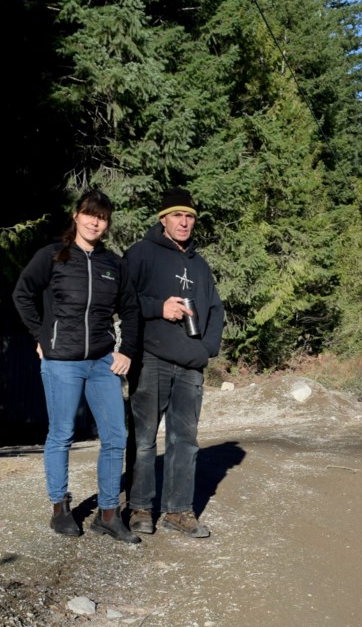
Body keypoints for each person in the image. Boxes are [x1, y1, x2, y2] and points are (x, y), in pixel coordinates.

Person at [12, 189, 141, 544]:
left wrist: (126, 349)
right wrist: (41, 336)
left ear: (107, 223)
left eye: (102, 217)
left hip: (102, 361)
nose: (95, 222)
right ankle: (60, 508)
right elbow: (22, 294)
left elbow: (130, 309)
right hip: (61, 361)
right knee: (62, 434)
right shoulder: (52, 256)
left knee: (116, 436)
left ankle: (109, 513)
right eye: (89, 214)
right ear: (76, 215)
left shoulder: (114, 264)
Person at [124, 187, 224, 538]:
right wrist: (157, 307)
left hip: (190, 365)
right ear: (163, 219)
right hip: (151, 357)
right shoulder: (141, 254)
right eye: (177, 215)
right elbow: (123, 299)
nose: (184, 222)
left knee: (186, 439)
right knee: (144, 437)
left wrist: (207, 349)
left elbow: (215, 308)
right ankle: (139, 507)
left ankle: (178, 510)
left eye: (190, 216)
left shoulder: (199, 264)